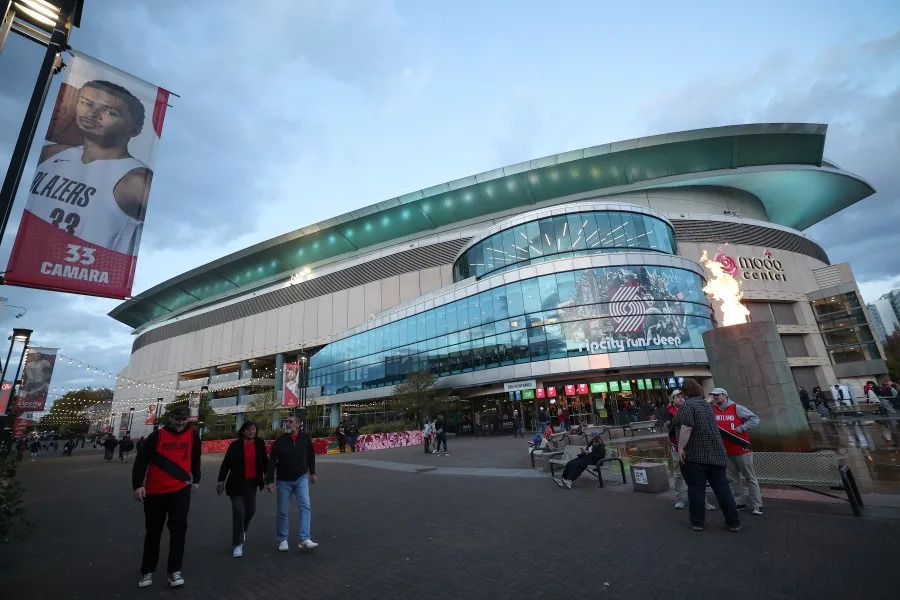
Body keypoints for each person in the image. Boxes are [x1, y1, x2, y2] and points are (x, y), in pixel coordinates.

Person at [28, 80, 152, 255]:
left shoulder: (136, 180)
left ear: (134, 130)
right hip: (28, 260)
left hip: (87, 272)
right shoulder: (50, 154)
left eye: (110, 111)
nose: (92, 114)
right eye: (86, 103)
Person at [132, 405, 201, 589]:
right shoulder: (157, 436)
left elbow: (196, 458)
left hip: (180, 490)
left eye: (184, 420)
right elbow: (142, 459)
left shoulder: (193, 435)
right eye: (178, 419)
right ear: (170, 418)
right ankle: (147, 571)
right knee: (153, 531)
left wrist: (196, 479)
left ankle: (174, 570)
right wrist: (138, 484)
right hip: (155, 492)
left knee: (179, 530)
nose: (180, 423)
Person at [675, 378, 741, 532]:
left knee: (696, 488)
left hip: (696, 455)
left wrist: (680, 447)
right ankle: (734, 522)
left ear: (685, 392)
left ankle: (697, 522)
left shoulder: (688, 406)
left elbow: (687, 427)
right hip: (716, 453)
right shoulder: (708, 405)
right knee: (722, 489)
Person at [265, 413, 318, 552]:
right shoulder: (280, 440)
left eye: (290, 421)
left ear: (298, 424)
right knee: (282, 511)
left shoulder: (305, 438)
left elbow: (310, 456)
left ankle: (304, 539)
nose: (287, 424)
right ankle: (283, 539)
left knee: (305, 507)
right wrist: (269, 480)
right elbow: (272, 461)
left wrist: (312, 473)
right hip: (283, 481)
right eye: (287, 421)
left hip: (301, 478)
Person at [216, 421, 267, 558]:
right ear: (243, 431)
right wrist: (221, 481)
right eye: (249, 430)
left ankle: (242, 529)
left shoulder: (259, 443)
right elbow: (226, 464)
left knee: (250, 511)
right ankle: (237, 544)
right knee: (239, 511)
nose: (252, 432)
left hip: (252, 484)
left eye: (254, 429)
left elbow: (264, 461)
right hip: (236, 484)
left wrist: (269, 479)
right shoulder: (235, 446)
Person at [710, 387, 763, 516]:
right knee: (733, 478)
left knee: (750, 477)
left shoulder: (736, 408)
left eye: (718, 395)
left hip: (741, 448)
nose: (715, 397)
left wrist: (742, 428)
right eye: (713, 395)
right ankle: (740, 502)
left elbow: (754, 419)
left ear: (725, 395)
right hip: (725, 450)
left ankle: (757, 504)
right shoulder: (713, 409)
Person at [666, 389, 716, 512]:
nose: (680, 398)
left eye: (682, 396)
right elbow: (670, 426)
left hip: (694, 445)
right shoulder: (669, 410)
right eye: (677, 396)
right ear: (672, 399)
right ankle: (680, 499)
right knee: (678, 474)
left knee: (698, 474)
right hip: (676, 446)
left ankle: (703, 501)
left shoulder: (691, 407)